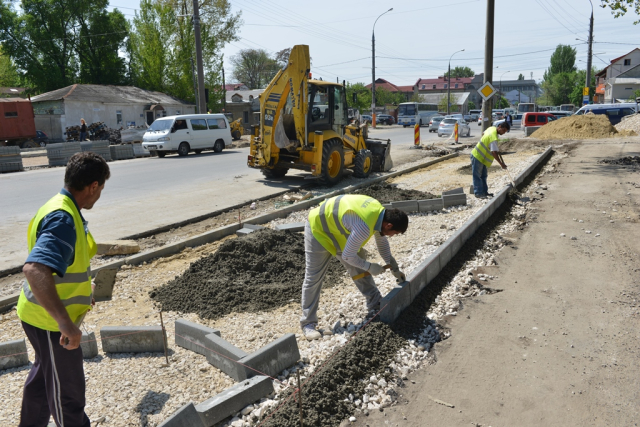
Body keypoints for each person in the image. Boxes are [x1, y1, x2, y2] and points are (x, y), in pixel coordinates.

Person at [17, 152, 110, 427]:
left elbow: (65, 265)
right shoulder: (63, 218)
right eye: (101, 189)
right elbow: (34, 269)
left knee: (43, 382)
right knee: (67, 396)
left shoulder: (62, 206)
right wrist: (65, 324)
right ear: (93, 186)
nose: (100, 195)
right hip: (50, 324)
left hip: (39, 317)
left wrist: (85, 287)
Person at [300, 195, 408, 340]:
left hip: (339, 232)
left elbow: (381, 244)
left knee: (359, 265)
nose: (392, 236)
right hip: (318, 230)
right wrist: (370, 267)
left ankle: (375, 303)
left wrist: (394, 268)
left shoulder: (378, 214)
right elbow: (348, 257)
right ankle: (308, 324)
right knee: (314, 277)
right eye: (394, 233)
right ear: (388, 225)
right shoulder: (363, 226)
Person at [471, 122, 510, 199]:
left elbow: (483, 133)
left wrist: (488, 144)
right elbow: (494, 152)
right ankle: (478, 193)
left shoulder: (491, 128)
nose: (504, 133)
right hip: (477, 156)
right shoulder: (493, 137)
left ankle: (484, 192)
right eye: (503, 130)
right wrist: (501, 164)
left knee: (483, 176)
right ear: (499, 127)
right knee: (477, 176)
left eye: (505, 131)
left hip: (482, 158)